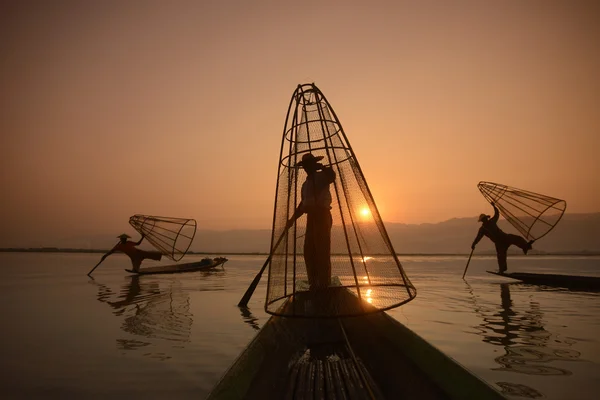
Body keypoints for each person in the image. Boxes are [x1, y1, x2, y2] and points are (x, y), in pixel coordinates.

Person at [287, 153, 336, 290]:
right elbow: (303, 205)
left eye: (309, 165)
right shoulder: (305, 184)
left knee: (322, 250)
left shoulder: (321, 177)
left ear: (313, 165)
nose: (306, 168)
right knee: (309, 251)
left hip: (322, 216)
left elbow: (332, 176)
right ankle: (314, 283)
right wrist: (291, 220)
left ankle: (324, 284)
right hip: (311, 218)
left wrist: (322, 167)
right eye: (305, 166)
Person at [471, 203, 534, 273]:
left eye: (485, 219)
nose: (485, 220)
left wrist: (494, 206)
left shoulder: (492, 221)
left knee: (517, 238)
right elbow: (478, 238)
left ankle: (525, 246)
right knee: (501, 256)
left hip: (504, 237)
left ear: (486, 218)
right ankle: (502, 269)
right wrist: (474, 244)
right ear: (482, 221)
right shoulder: (482, 229)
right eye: (484, 219)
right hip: (499, 243)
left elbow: (497, 214)